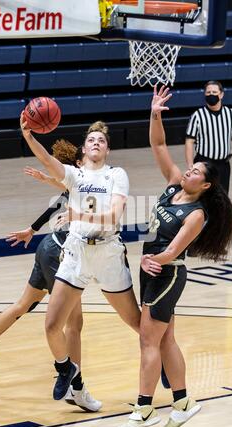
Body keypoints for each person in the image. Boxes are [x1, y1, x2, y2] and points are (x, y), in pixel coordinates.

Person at [115, 85, 232, 427]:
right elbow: (157, 145)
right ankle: (183, 403)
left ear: (207, 185)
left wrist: (151, 261)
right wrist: (155, 112)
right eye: (192, 167)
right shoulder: (172, 185)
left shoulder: (196, 213)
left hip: (167, 274)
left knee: (148, 341)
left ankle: (144, 409)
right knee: (165, 340)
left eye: (197, 171)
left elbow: (173, 251)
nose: (189, 171)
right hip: (154, 271)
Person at [20, 113, 163, 402]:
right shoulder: (75, 175)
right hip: (77, 253)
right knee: (51, 326)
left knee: (138, 324)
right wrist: (29, 136)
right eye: (91, 140)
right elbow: (48, 160)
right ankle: (65, 367)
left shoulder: (116, 174)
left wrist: (76, 214)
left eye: (101, 141)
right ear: (83, 150)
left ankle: (165, 363)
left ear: (107, 150)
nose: (96, 143)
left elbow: (113, 216)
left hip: (108, 252)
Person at [0, 140, 102, 413]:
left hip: (48, 247)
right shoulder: (90, 182)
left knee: (24, 304)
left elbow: (61, 200)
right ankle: (77, 388)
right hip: (60, 254)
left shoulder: (85, 181)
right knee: (74, 324)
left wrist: (33, 227)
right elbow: (68, 201)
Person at [185, 80, 232, 194]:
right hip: (204, 164)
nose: (211, 95)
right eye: (208, 92)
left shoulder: (231, 114)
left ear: (221, 94)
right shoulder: (198, 115)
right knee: (203, 197)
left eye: (214, 92)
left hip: (223, 165)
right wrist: (190, 166)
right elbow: (189, 141)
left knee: (222, 197)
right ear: (204, 95)